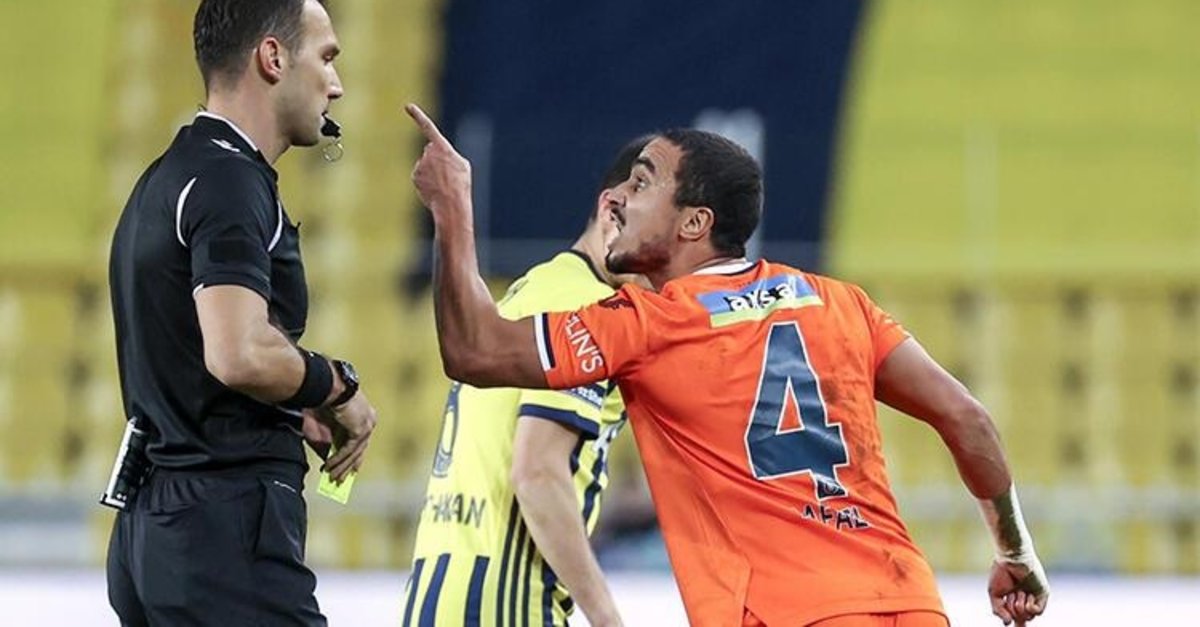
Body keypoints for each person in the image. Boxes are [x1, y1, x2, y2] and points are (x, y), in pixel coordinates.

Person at [405, 104, 1050, 627]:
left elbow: (474, 351)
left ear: (694, 223)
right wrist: (1016, 554)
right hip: (908, 602)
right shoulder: (840, 302)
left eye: (642, 182)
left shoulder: (650, 323)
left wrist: (452, 209)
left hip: (778, 613)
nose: (618, 198)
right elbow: (967, 417)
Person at [105, 1, 379, 624]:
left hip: (153, 529)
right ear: (273, 58)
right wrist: (338, 387)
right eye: (326, 58)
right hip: (222, 529)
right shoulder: (230, 181)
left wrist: (290, 400)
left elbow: (192, 354)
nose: (336, 84)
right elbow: (238, 352)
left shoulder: (164, 179)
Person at [402, 137, 651, 627]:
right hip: (506, 599)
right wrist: (607, 618)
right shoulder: (584, 309)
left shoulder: (537, 288)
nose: (671, 278)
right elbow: (537, 473)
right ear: (612, 213)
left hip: (444, 590)